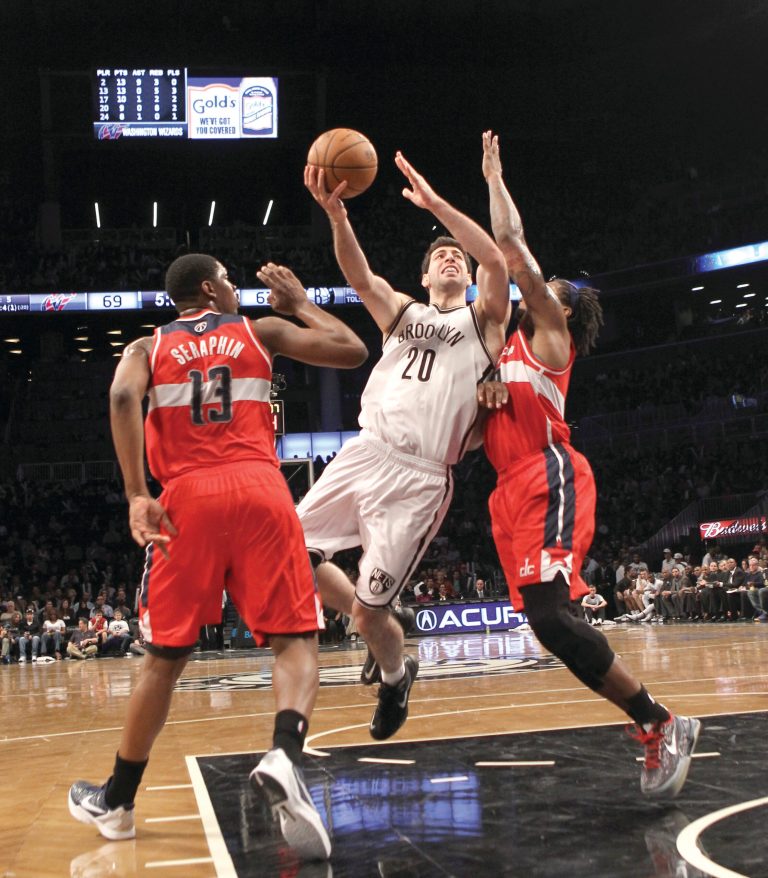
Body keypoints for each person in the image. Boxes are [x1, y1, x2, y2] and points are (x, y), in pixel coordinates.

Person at [68, 254, 368, 861]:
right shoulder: (260, 331)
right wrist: (300, 303)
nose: (236, 288)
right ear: (209, 288)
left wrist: (137, 494)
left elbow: (122, 395)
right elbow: (352, 350)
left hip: (186, 500)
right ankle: (285, 753)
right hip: (261, 490)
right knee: (294, 641)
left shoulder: (147, 347)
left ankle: (118, 801)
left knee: (164, 659)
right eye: (230, 280)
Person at [477, 130, 700, 799]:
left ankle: (660, 720)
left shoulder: (551, 335)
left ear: (564, 308)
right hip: (507, 490)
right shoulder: (502, 347)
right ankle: (654, 720)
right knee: (549, 626)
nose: (539, 288)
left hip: (548, 473)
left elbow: (509, 246)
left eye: (550, 288)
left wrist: (494, 178)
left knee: (551, 619)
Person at [301, 152, 510, 740]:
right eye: (440, 255)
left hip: (420, 475)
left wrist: (437, 204)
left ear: (467, 275)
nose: (451, 257)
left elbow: (496, 259)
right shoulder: (402, 312)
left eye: (457, 256)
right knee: (287, 555)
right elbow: (361, 278)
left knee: (369, 615)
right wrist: (337, 216)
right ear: (424, 277)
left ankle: (396, 676)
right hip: (366, 451)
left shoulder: (485, 322)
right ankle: (380, 620)